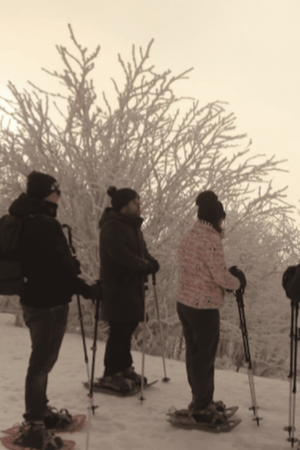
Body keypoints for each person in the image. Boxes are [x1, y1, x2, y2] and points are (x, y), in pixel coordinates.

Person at [9, 171, 99, 450]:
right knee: (41, 363)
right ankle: (35, 424)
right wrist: (86, 288)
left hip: (33, 300)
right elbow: (57, 267)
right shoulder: (44, 224)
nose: (59, 197)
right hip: (49, 304)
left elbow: (46, 264)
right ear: (45, 193)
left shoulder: (25, 219)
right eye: (56, 192)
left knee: (41, 361)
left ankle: (40, 412)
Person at [176, 190, 246, 425]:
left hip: (185, 303)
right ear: (216, 218)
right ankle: (202, 405)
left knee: (194, 354)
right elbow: (218, 275)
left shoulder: (190, 235)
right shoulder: (210, 238)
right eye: (221, 219)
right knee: (204, 357)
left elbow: (199, 270)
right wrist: (236, 282)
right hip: (203, 307)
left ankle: (199, 399)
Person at [94, 186, 159, 393]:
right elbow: (120, 255)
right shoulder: (112, 226)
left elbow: (142, 252)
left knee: (127, 328)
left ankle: (124, 367)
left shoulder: (133, 227)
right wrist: (144, 266)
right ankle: (111, 372)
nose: (140, 206)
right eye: (135, 202)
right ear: (124, 206)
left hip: (132, 288)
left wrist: (150, 262)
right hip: (117, 288)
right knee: (119, 330)